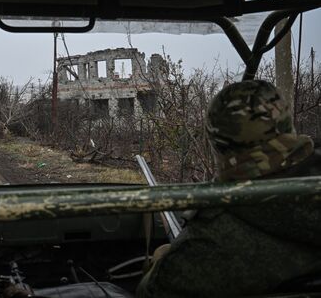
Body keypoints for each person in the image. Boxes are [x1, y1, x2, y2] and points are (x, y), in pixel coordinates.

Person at [137, 80, 321, 298]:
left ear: (217, 143)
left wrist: (160, 259)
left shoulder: (209, 243)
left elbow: (150, 293)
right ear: (286, 122)